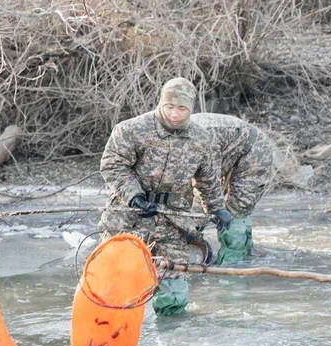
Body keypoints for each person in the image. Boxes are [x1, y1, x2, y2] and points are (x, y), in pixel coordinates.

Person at [99, 78, 232, 315]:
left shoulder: (202, 139)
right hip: (129, 217)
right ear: (161, 102)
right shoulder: (132, 129)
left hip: (174, 221)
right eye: (169, 107)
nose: (174, 114)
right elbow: (112, 165)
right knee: (115, 281)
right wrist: (134, 197)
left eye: (181, 109)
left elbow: (208, 180)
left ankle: (171, 337)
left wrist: (216, 208)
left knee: (173, 290)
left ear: (190, 108)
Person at [190, 113, 275, 265]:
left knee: (235, 215)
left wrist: (192, 225)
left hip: (253, 152)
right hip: (227, 154)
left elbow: (208, 184)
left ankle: (232, 269)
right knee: (194, 212)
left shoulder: (203, 138)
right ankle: (247, 255)